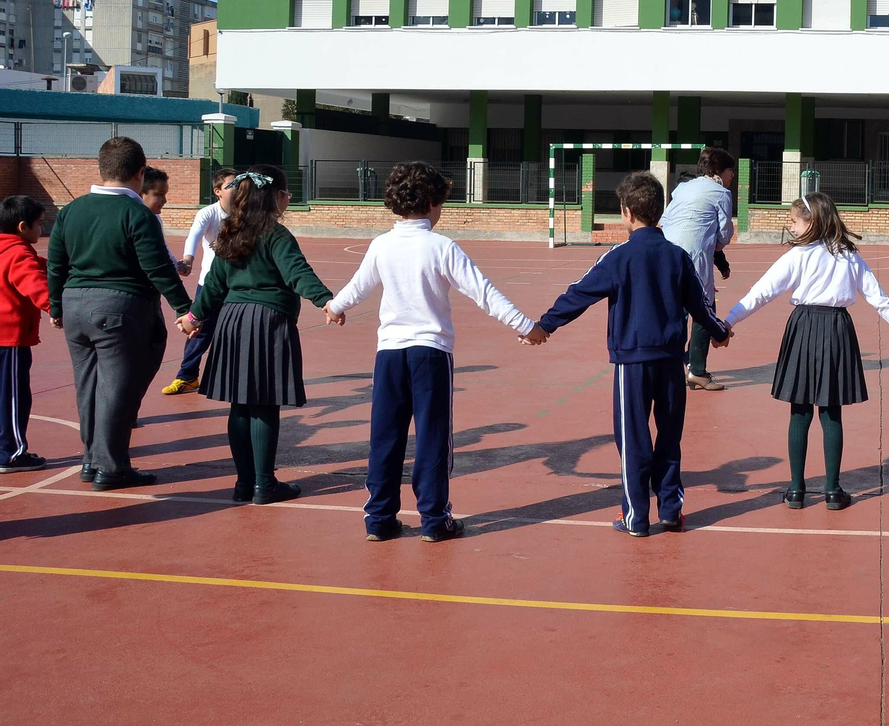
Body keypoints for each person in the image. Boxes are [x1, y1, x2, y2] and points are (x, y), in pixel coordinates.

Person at [325, 162, 539, 543]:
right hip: (430, 353)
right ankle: (434, 519)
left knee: (385, 435)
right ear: (432, 203)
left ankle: (378, 519)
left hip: (389, 354)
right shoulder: (441, 247)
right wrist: (525, 325)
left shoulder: (381, 245)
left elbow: (357, 288)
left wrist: (335, 307)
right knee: (432, 437)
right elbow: (483, 292)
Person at [526, 172, 731, 536]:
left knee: (634, 439)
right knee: (669, 437)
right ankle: (670, 510)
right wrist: (718, 332)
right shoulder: (677, 256)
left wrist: (545, 325)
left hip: (632, 363)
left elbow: (579, 294)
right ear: (661, 210)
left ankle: (636, 517)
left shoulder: (618, 257)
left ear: (626, 213)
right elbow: (700, 303)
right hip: (671, 361)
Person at [724, 192, 889, 511]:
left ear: (811, 222)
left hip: (803, 327)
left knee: (799, 410)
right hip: (836, 329)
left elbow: (762, 292)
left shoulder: (798, 255)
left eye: (794, 222)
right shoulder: (848, 254)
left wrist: (729, 320)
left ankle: (796, 490)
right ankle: (832, 490)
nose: (792, 227)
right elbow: (879, 298)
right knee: (831, 411)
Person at [176, 166, 336, 505]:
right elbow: (297, 273)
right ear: (275, 197)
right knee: (264, 405)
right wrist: (326, 300)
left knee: (240, 404)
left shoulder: (229, 234)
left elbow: (213, 286)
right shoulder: (277, 236)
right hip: (268, 322)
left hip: (233, 322)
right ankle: (265, 485)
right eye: (287, 193)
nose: (289, 199)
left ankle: (243, 484)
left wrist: (193, 317)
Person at [48, 137, 192, 490]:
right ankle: (110, 467)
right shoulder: (136, 213)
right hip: (119, 307)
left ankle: (91, 460)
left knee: (89, 387)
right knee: (117, 390)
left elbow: (56, 263)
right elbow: (157, 267)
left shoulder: (71, 210)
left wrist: (55, 306)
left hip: (75, 304)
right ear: (140, 172)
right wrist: (186, 308)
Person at [662, 149, 737, 391]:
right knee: (704, 310)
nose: (732, 175)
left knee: (674, 310)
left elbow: (667, 219)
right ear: (719, 171)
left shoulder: (682, 188)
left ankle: (668, 364)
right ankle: (697, 370)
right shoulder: (721, 193)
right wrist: (717, 252)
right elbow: (724, 235)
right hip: (694, 258)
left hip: (665, 253)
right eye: (730, 171)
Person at [163, 167, 237, 395]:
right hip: (210, 284)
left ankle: (234, 378)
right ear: (217, 191)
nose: (238, 188)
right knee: (200, 331)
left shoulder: (246, 214)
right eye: (232, 185)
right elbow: (194, 235)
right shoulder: (208, 214)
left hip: (238, 286)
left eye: (240, 184)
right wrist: (188, 258)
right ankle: (187, 376)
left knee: (235, 332)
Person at [0, 196, 51, 473]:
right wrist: (58, 310)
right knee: (14, 397)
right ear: (23, 227)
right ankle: (11, 452)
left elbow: (38, 265)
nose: (42, 230)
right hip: (11, 339)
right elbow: (35, 285)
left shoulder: (8, 249)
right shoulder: (19, 254)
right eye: (40, 225)